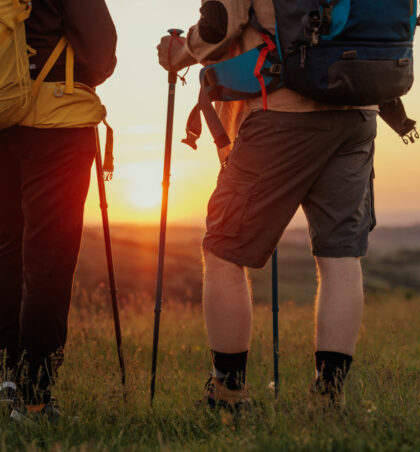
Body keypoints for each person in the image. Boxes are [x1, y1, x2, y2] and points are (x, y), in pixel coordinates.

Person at [158, 0, 377, 409]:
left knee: (223, 248)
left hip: (282, 107)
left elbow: (222, 22)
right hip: (358, 108)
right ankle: (327, 399)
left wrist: (181, 53)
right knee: (340, 254)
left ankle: (228, 393)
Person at [0, 0, 117, 422]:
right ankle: (34, 401)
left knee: (10, 249)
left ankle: (9, 379)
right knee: (48, 260)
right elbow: (100, 54)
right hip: (56, 123)